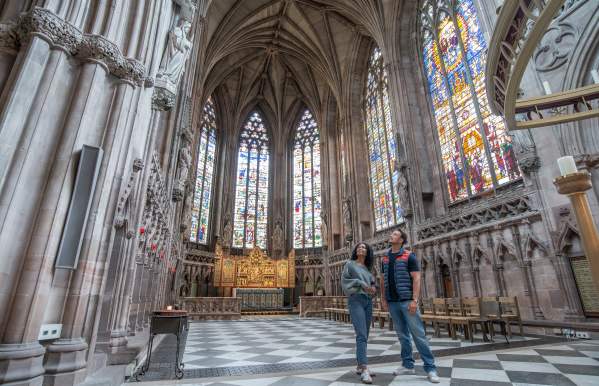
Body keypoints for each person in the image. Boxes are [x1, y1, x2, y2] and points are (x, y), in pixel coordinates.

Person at [380, 229, 440, 383]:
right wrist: (383, 298)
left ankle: (431, 368)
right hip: (392, 302)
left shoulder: (409, 256)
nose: (391, 236)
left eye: (394, 234)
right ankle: (407, 365)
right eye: (391, 234)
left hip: (407, 301)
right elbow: (382, 279)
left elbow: (417, 278)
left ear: (401, 240)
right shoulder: (385, 258)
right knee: (402, 335)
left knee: (418, 335)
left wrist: (414, 300)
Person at [342, 243, 377, 384]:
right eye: (359, 247)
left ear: (367, 252)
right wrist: (361, 283)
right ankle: (364, 368)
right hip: (356, 300)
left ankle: (359, 365)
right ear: (355, 251)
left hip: (368, 301)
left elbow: (373, 282)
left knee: (365, 334)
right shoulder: (350, 264)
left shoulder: (368, 269)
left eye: (364, 248)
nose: (361, 249)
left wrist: (373, 287)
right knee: (361, 334)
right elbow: (345, 281)